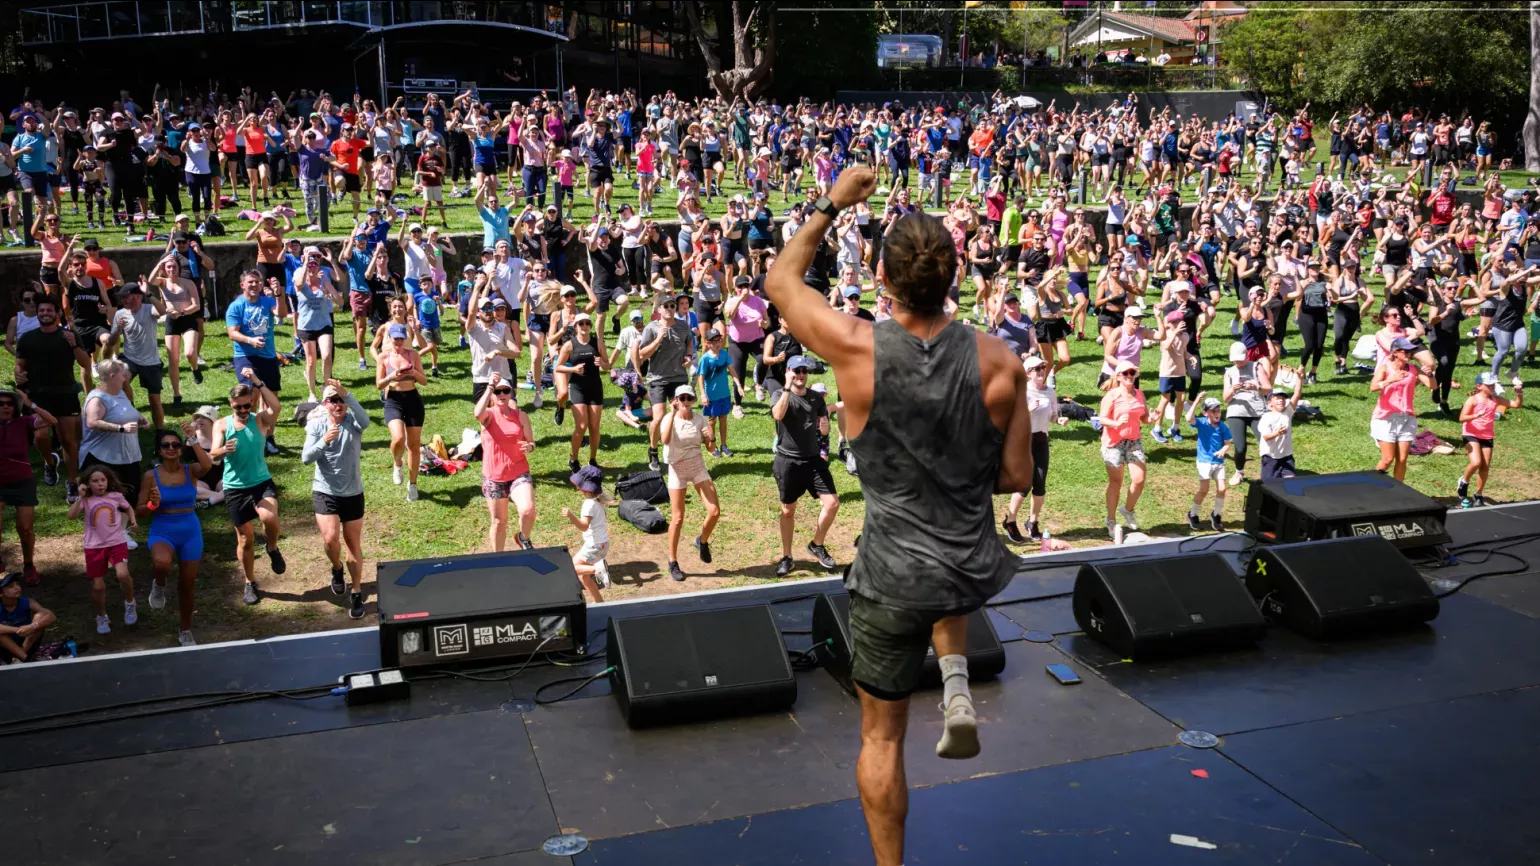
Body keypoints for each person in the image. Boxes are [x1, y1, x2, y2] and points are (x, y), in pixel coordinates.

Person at [766, 165, 1034, 866]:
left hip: (891, 574)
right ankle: (953, 681)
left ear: (881, 279)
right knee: (939, 570)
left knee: (881, 738)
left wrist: (831, 202)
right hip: (968, 566)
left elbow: (781, 283)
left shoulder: (857, 347)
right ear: (953, 277)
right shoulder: (1003, 361)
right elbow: (1016, 476)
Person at [212, 370, 286, 606]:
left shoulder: (260, 419)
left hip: (261, 482)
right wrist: (225, 449)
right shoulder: (222, 425)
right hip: (235, 487)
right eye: (238, 408)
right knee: (245, 539)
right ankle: (249, 582)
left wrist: (257, 381)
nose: (243, 411)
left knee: (270, 518)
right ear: (230, 404)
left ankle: (272, 548)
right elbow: (213, 454)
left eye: (247, 406)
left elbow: (277, 406)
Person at [301, 379, 371, 619]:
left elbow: (367, 420)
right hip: (325, 491)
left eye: (341, 400)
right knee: (331, 540)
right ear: (325, 404)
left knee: (353, 543)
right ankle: (337, 568)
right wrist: (324, 441)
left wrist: (347, 393)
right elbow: (306, 458)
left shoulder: (354, 423)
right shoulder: (316, 426)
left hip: (352, 492)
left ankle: (356, 591)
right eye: (333, 400)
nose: (338, 404)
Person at [137, 423, 210, 646]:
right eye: (166, 445)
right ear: (159, 450)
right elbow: (139, 510)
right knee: (162, 564)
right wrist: (151, 504)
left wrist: (193, 440)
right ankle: (158, 585)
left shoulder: (191, 470)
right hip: (163, 528)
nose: (171, 448)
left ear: (181, 448)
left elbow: (207, 465)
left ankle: (185, 629)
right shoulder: (151, 476)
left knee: (187, 584)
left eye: (176, 445)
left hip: (189, 529)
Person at [767, 355, 841, 577]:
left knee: (833, 503)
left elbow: (823, 430)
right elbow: (778, 415)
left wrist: (825, 426)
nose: (801, 375)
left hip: (812, 459)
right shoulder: (780, 394)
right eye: (796, 371)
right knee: (788, 511)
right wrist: (788, 387)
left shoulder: (816, 398)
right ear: (788, 372)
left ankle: (816, 544)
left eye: (803, 371)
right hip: (787, 461)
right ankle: (787, 556)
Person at [16, 298, 91, 499]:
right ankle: (50, 462)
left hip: (65, 394)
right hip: (38, 395)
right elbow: (19, 365)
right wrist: (18, 373)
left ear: (57, 313)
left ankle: (72, 482)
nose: (45, 313)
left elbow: (85, 364)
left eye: (49, 310)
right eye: (42, 310)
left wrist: (74, 345)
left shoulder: (69, 335)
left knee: (68, 440)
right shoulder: (27, 338)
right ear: (38, 313)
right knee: (40, 437)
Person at [658, 384, 721, 583]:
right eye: (681, 398)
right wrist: (671, 414)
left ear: (693, 400)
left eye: (688, 398)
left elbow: (711, 448)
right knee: (677, 518)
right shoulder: (669, 419)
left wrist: (712, 436)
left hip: (697, 465)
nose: (685, 402)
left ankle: (701, 541)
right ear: (675, 400)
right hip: (677, 468)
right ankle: (672, 561)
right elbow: (665, 440)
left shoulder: (700, 419)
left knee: (714, 511)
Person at [225, 270, 288, 456]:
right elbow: (232, 333)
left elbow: (282, 313)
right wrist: (250, 340)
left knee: (271, 398)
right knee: (249, 395)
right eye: (250, 282)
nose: (254, 285)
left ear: (262, 284)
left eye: (257, 282)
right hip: (246, 356)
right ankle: (249, 436)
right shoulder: (236, 307)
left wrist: (279, 294)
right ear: (242, 285)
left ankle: (268, 437)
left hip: (268, 357)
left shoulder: (267, 301)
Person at [69, 465, 137, 635]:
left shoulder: (116, 496)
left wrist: (133, 521)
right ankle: (101, 616)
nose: (100, 484)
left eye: (103, 480)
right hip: (94, 546)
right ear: (87, 484)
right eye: (95, 481)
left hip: (116, 542)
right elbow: (71, 516)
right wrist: (79, 497)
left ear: (108, 481)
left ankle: (130, 603)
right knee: (98, 586)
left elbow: (128, 507)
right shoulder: (85, 500)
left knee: (122, 574)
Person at [475, 371, 537, 551]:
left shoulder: (521, 416)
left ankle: (523, 538)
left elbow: (531, 441)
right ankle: (498, 559)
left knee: (527, 509)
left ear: (511, 392)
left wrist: (530, 447)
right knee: (498, 522)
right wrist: (489, 387)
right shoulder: (488, 415)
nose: (502, 394)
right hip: (494, 476)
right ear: (493, 395)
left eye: (505, 390)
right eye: (498, 391)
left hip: (518, 471)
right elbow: (477, 412)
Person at [0, 389, 54, 586]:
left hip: (22, 481)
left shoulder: (24, 422)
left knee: (25, 528)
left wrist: (30, 404)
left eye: (9, 403)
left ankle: (29, 565)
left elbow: (52, 421)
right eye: (1, 403)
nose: (5, 406)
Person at [79, 358, 147, 510]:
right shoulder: (97, 399)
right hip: (103, 458)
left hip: (127, 456)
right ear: (112, 376)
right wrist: (120, 428)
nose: (126, 377)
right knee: (105, 505)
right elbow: (92, 422)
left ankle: (124, 530)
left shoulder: (120, 393)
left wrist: (141, 418)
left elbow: (126, 410)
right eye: (123, 375)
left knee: (129, 502)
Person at [637, 293, 694, 472]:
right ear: (659, 309)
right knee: (659, 416)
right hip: (658, 378)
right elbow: (641, 354)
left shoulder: (683, 326)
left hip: (679, 377)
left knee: (680, 415)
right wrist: (658, 339)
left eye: (672, 306)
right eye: (666, 306)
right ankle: (653, 451)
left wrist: (689, 356)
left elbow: (690, 342)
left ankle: (676, 453)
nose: (669, 309)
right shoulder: (651, 328)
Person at [1001, 356, 1055, 544]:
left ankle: (1032, 522)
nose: (1041, 371)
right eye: (1037, 369)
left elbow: (1053, 415)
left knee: (1039, 485)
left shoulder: (1050, 392)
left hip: (1041, 440)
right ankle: (1010, 521)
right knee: (1023, 486)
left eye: (1043, 367)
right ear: (1027, 373)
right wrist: (1028, 409)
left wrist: (1059, 420)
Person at [1370, 337, 1435, 481]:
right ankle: (1373, 486)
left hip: (1407, 418)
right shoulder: (1385, 368)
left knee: (1402, 459)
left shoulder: (1413, 369)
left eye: (1410, 351)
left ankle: (1397, 493)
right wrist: (1391, 380)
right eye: (1405, 351)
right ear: (1395, 352)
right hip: (1385, 418)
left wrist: (1430, 374)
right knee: (1388, 459)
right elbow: (1373, 387)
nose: (1408, 354)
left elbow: (1432, 386)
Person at [376, 322, 428, 502]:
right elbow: (378, 384)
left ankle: (413, 485)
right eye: (395, 338)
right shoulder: (383, 357)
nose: (398, 342)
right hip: (393, 400)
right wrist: (391, 376)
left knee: (414, 445)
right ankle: (398, 463)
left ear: (405, 339)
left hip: (413, 400)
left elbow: (424, 381)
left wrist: (413, 372)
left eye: (400, 338)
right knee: (398, 438)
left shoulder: (413, 355)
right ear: (389, 339)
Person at [1458, 371, 1523, 508]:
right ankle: (1464, 481)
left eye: (1493, 384)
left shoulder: (1496, 400)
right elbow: (1462, 418)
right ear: (1479, 386)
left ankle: (1479, 495)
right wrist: (1476, 415)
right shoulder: (1473, 400)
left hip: (1487, 436)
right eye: (1489, 385)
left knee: (1485, 467)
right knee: (1476, 462)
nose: (1492, 387)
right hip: (1471, 433)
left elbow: (1516, 404)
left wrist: (1519, 393)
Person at [1098, 359, 1148, 540]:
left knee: (1139, 479)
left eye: (1131, 373)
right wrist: (1116, 423)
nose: (1129, 376)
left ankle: (1127, 510)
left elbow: (1145, 418)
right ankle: (1111, 520)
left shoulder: (1140, 394)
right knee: (1116, 483)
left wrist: (1154, 416)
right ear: (1118, 376)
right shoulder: (1112, 395)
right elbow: (1102, 419)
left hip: (1133, 441)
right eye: (1125, 373)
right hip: (1113, 443)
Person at [554, 311, 609, 472]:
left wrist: (602, 363)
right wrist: (574, 369)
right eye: (581, 323)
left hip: (595, 387)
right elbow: (558, 367)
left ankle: (593, 459)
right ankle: (574, 458)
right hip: (578, 388)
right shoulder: (570, 345)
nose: (585, 326)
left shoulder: (597, 342)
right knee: (582, 425)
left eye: (587, 323)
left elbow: (607, 364)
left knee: (594, 426)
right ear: (576, 327)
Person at [107, 281, 167, 428]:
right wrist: (117, 330)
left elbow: (163, 311)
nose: (123, 300)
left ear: (138, 296)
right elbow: (112, 341)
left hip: (151, 361)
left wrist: (149, 293)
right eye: (122, 297)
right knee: (122, 378)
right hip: (129, 357)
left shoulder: (149, 309)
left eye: (126, 296)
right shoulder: (120, 314)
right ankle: (132, 412)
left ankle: (159, 434)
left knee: (154, 400)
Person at [292, 245, 343, 403]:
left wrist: (326, 283)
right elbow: (299, 285)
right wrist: (306, 265)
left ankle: (327, 389)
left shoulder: (324, 277)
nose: (313, 266)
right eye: (310, 263)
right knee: (311, 360)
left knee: (327, 355)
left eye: (315, 262)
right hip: (306, 326)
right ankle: (312, 393)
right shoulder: (299, 274)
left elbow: (340, 302)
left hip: (324, 324)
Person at [560, 464, 609, 603]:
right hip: (602, 544)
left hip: (594, 545)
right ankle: (599, 602)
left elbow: (583, 526)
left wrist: (571, 516)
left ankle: (597, 570)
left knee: (573, 568)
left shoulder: (588, 504)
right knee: (583, 576)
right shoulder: (598, 500)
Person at [1184, 395, 1233, 531]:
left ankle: (1216, 514)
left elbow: (1227, 444)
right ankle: (1192, 514)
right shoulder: (1202, 423)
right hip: (1204, 462)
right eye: (1213, 411)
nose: (1217, 414)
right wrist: (1196, 401)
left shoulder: (1223, 427)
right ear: (1206, 413)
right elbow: (1188, 418)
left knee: (1222, 488)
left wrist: (1223, 450)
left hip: (1218, 462)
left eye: (1218, 410)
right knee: (1204, 489)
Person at [1222, 340, 1267, 486]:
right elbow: (1225, 399)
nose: (1238, 363)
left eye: (1240, 360)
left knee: (1265, 444)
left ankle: (1268, 473)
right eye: (1235, 360)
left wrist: (1256, 387)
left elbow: (1268, 388)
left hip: (1257, 411)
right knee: (1240, 447)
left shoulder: (1256, 367)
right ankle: (1239, 471)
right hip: (1236, 411)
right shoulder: (1229, 372)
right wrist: (1233, 389)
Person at [0, 571, 56, 663]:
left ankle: (20, 658)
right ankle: (25, 659)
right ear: (1, 593)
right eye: (11, 586)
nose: (16, 588)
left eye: (17, 584)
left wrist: (32, 626)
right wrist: (18, 629)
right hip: (6, 646)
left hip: (27, 642)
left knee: (40, 616)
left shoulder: (27, 602)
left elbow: (51, 616)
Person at [1257, 370, 1304, 479]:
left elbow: (1297, 395)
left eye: (1283, 398)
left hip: (1286, 456)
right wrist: (1277, 433)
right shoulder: (1266, 418)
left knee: (1290, 482)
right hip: (1270, 457)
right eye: (1277, 398)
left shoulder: (1287, 412)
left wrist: (1299, 378)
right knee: (1269, 486)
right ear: (1270, 403)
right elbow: (1266, 437)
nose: (1281, 400)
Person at [695, 328, 734, 456]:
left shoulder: (724, 354)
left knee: (723, 419)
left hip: (724, 394)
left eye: (719, 340)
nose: (718, 343)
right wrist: (703, 394)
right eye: (714, 341)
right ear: (708, 343)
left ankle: (724, 445)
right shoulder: (705, 358)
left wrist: (738, 384)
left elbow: (732, 370)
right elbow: (700, 377)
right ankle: (713, 445)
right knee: (712, 420)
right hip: (711, 396)